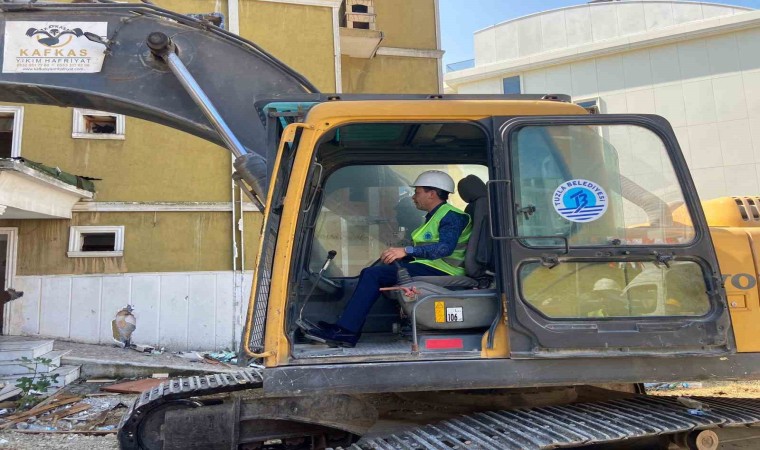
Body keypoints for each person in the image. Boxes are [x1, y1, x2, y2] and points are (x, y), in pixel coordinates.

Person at [305, 170, 472, 348]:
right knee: (374, 272)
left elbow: (444, 248)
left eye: (417, 192)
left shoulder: (452, 216)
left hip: (445, 269)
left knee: (373, 275)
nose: (414, 197)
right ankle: (345, 326)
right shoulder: (437, 215)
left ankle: (347, 331)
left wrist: (406, 251)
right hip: (433, 266)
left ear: (432, 194)